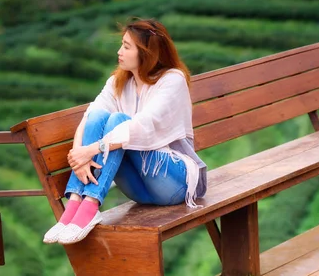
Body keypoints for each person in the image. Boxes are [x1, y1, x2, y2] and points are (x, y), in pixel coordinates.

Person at [43, 18, 207, 245]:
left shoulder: (172, 80)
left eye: (127, 47)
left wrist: (91, 149)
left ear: (146, 52)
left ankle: (90, 205)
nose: (119, 51)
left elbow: (142, 126)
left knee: (119, 121)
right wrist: (79, 155)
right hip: (140, 189)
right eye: (121, 44)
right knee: (100, 117)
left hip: (174, 182)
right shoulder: (118, 82)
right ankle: (74, 202)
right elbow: (90, 116)